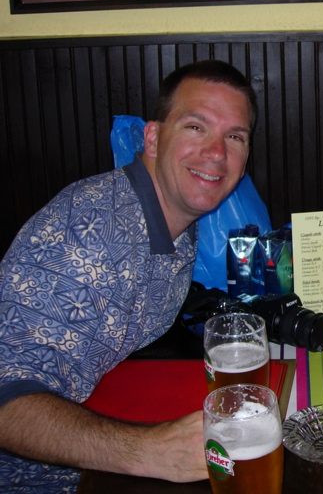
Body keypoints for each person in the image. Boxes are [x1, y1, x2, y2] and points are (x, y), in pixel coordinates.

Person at [0, 59, 257, 492]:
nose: (217, 152)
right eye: (196, 127)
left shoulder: (176, 218)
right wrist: (147, 451)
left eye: (235, 136)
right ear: (152, 138)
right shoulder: (88, 232)